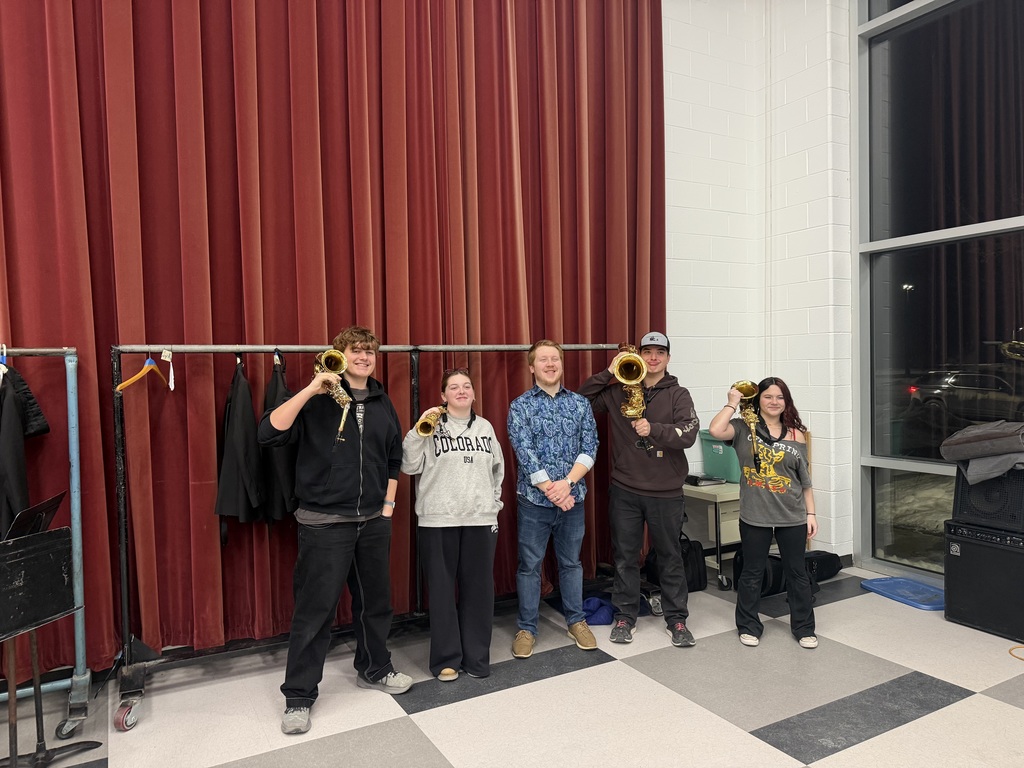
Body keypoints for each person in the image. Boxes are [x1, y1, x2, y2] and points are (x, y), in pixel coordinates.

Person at [258, 325, 412, 736]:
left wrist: (388, 506)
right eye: (355, 351)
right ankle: (299, 697)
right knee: (315, 612)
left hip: (372, 522)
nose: (364, 357)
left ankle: (376, 668)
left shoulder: (381, 400)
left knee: (375, 604)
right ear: (339, 355)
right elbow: (268, 433)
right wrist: (312, 387)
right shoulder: (317, 398)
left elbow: (393, 454)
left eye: (369, 352)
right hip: (324, 523)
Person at [578, 331, 700, 647]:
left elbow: (688, 433)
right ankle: (624, 618)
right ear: (640, 356)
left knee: (670, 557)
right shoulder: (618, 390)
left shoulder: (679, 394)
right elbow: (580, 403)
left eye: (660, 352)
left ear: (668, 358)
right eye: (648, 351)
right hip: (625, 490)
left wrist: (654, 429)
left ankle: (677, 621)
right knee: (625, 558)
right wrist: (609, 372)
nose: (654, 357)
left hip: (667, 492)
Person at [402, 367, 504, 682]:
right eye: (454, 387)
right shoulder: (428, 426)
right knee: (442, 592)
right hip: (437, 520)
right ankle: (446, 659)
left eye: (467, 386)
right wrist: (419, 430)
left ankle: (476, 657)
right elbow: (408, 465)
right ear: (443, 396)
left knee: (479, 590)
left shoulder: (485, 427)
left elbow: (497, 471)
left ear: (473, 394)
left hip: (479, 519)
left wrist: (492, 505)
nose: (461, 391)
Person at [707, 376, 818, 649]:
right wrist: (732, 403)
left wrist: (811, 514)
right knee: (752, 572)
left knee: (797, 573)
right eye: (768, 396)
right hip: (754, 515)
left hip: (791, 515)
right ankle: (748, 626)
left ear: (786, 402)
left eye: (780, 397)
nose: (774, 402)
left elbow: (804, 480)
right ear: (758, 400)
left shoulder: (796, 434)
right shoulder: (744, 428)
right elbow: (715, 430)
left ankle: (804, 628)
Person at [506, 340, 599, 659]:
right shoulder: (520, 405)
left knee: (571, 563)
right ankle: (526, 628)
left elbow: (590, 446)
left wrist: (568, 484)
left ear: (562, 364)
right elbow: (524, 452)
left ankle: (576, 620)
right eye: (542, 360)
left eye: (554, 359)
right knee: (529, 566)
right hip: (534, 502)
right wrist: (552, 490)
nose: (549, 364)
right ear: (531, 367)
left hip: (573, 499)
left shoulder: (580, 404)